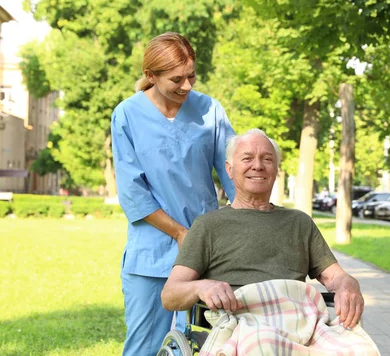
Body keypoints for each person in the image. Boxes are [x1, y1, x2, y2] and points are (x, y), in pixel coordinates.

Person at [161, 129, 364, 329]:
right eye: (247, 158)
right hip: (240, 329)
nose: (257, 166)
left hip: (298, 326)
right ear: (229, 169)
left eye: (267, 159)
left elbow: (335, 277)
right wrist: (201, 287)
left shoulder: (299, 223)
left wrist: (348, 283)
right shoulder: (208, 226)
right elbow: (170, 295)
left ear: (276, 170)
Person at [111, 32, 236, 356]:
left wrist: (247, 219)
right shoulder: (127, 115)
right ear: (150, 76)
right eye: (176, 79)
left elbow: (233, 169)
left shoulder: (209, 110)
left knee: (217, 344)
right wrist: (181, 233)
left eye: (192, 75)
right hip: (151, 253)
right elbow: (132, 192)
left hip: (208, 251)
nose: (187, 86)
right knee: (143, 347)